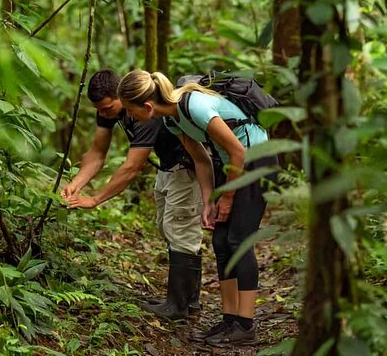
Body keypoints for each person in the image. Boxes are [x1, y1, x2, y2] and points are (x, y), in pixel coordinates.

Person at [117, 70, 277, 347]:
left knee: (239, 240)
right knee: (220, 240)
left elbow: (238, 151)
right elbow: (201, 159)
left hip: (256, 162)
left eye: (131, 111)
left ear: (147, 106)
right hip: (231, 167)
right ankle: (230, 320)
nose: (130, 118)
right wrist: (209, 201)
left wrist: (226, 198)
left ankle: (246, 325)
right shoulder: (171, 120)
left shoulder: (195, 106)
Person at [61, 70, 214, 320]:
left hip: (187, 169)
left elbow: (132, 167)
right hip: (168, 168)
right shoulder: (109, 110)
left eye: (108, 107)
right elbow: (97, 153)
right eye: (99, 109)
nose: (103, 113)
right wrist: (76, 184)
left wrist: (95, 199)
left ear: (120, 97)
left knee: (180, 230)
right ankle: (187, 300)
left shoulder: (143, 113)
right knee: (168, 229)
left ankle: (178, 306)